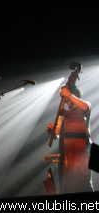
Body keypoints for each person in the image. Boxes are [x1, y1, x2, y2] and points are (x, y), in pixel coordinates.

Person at [46, 65, 94, 193]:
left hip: (85, 150)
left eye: (65, 97)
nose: (65, 100)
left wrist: (69, 95)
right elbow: (58, 134)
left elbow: (85, 108)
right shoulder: (65, 115)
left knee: (85, 184)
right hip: (70, 152)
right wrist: (52, 132)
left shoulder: (84, 105)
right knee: (68, 185)